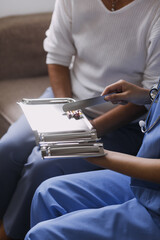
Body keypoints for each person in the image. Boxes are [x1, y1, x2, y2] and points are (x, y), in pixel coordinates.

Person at [1, 0, 160, 239]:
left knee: (42, 162)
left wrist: (87, 132)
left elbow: (149, 98)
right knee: (9, 147)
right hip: (69, 101)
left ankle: (9, 232)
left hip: (122, 122)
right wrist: (68, 113)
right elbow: (57, 56)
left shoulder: (154, 10)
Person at [25, 80, 160, 240]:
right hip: (146, 182)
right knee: (48, 192)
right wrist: (148, 95)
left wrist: (101, 155)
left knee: (41, 235)